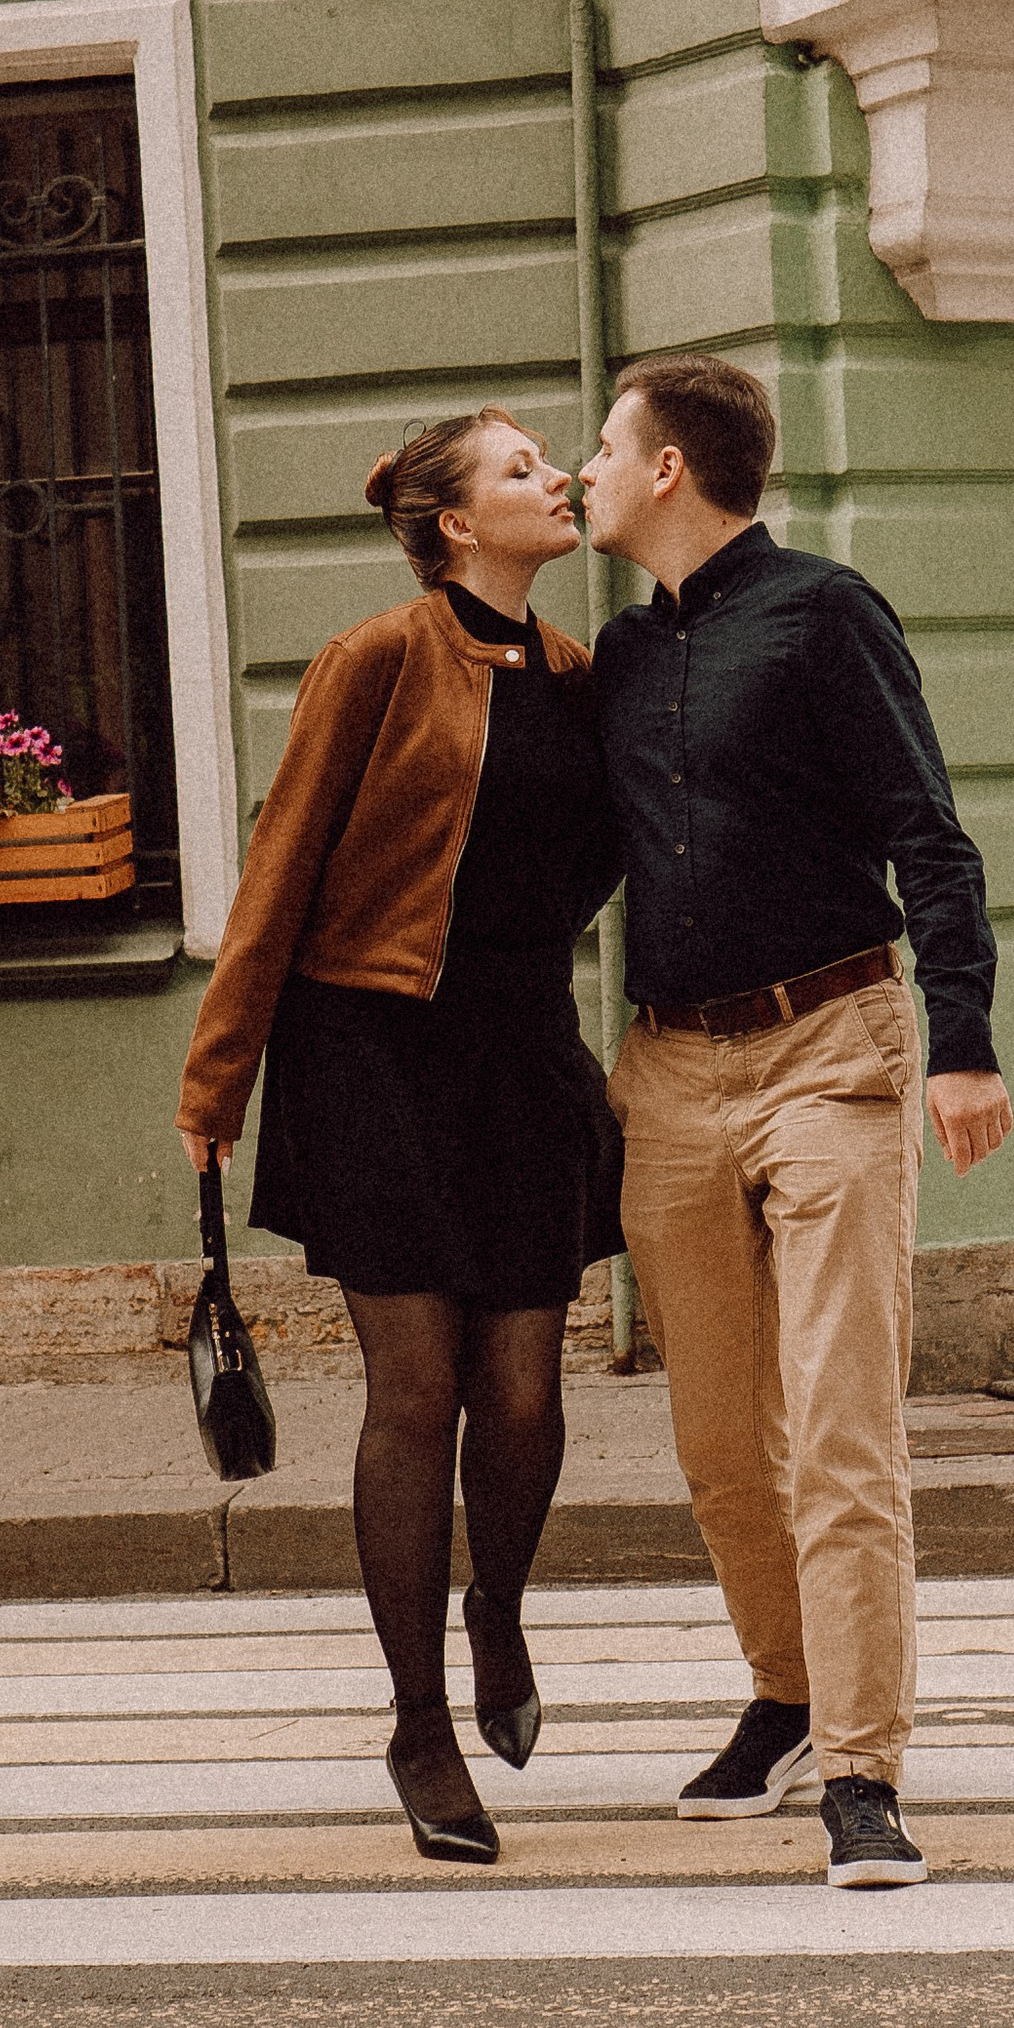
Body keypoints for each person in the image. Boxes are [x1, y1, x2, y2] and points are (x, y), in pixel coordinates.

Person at [582, 351, 1013, 1890]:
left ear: (667, 473)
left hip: (833, 1047)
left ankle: (863, 1771)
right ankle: (782, 1690)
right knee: (716, 1440)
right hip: (671, 1076)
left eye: (603, 446)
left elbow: (930, 835)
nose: (584, 470)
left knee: (838, 1425)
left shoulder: (826, 612)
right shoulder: (617, 665)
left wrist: (959, 1042)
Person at [176, 412, 619, 1868]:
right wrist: (214, 1085)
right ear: (451, 525)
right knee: (416, 1390)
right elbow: (280, 866)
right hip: (372, 1049)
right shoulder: (376, 659)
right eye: (518, 470)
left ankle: (499, 1604)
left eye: (551, 460)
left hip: (518, 1059)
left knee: (528, 1392)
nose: (552, 479)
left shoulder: (574, 677)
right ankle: (419, 1721)